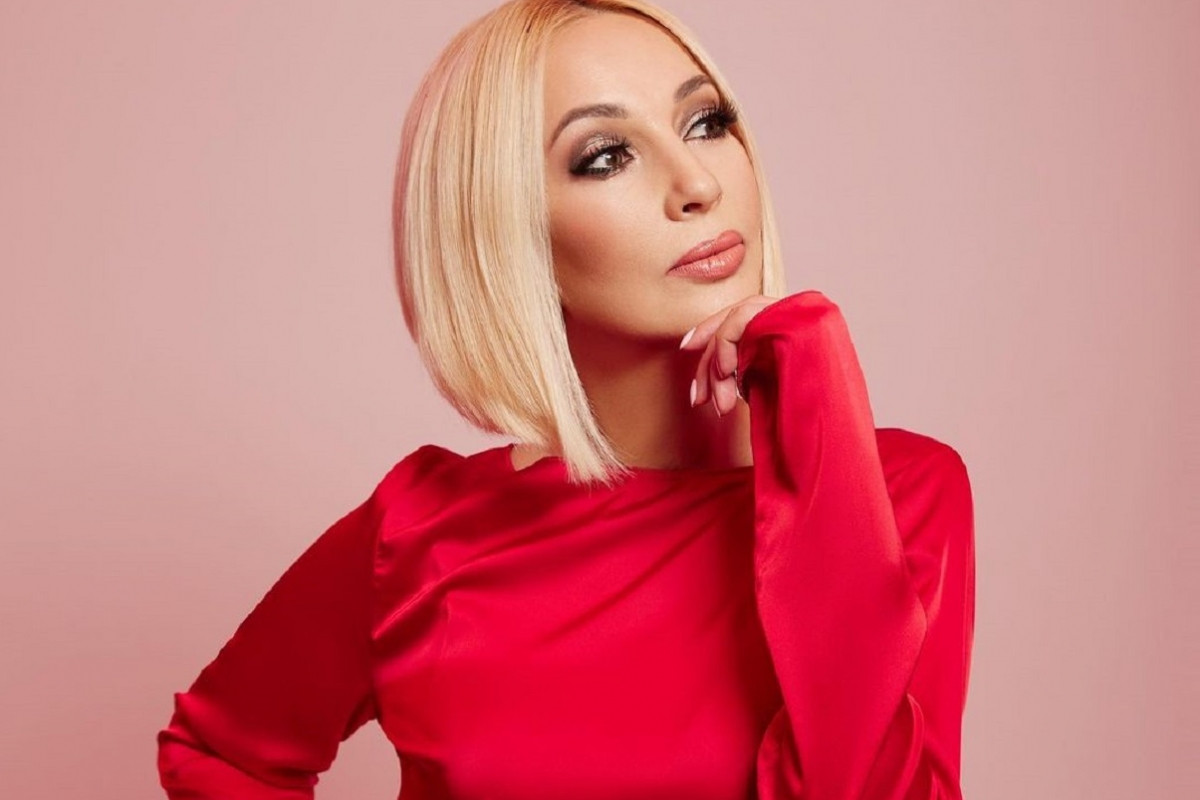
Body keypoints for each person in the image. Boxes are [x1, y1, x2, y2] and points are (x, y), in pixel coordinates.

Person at [156, 0, 976, 798]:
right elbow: (220, 755)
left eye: (706, 122)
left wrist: (817, 385)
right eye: (607, 156)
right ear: (509, 231)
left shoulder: (901, 496)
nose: (697, 183)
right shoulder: (419, 538)